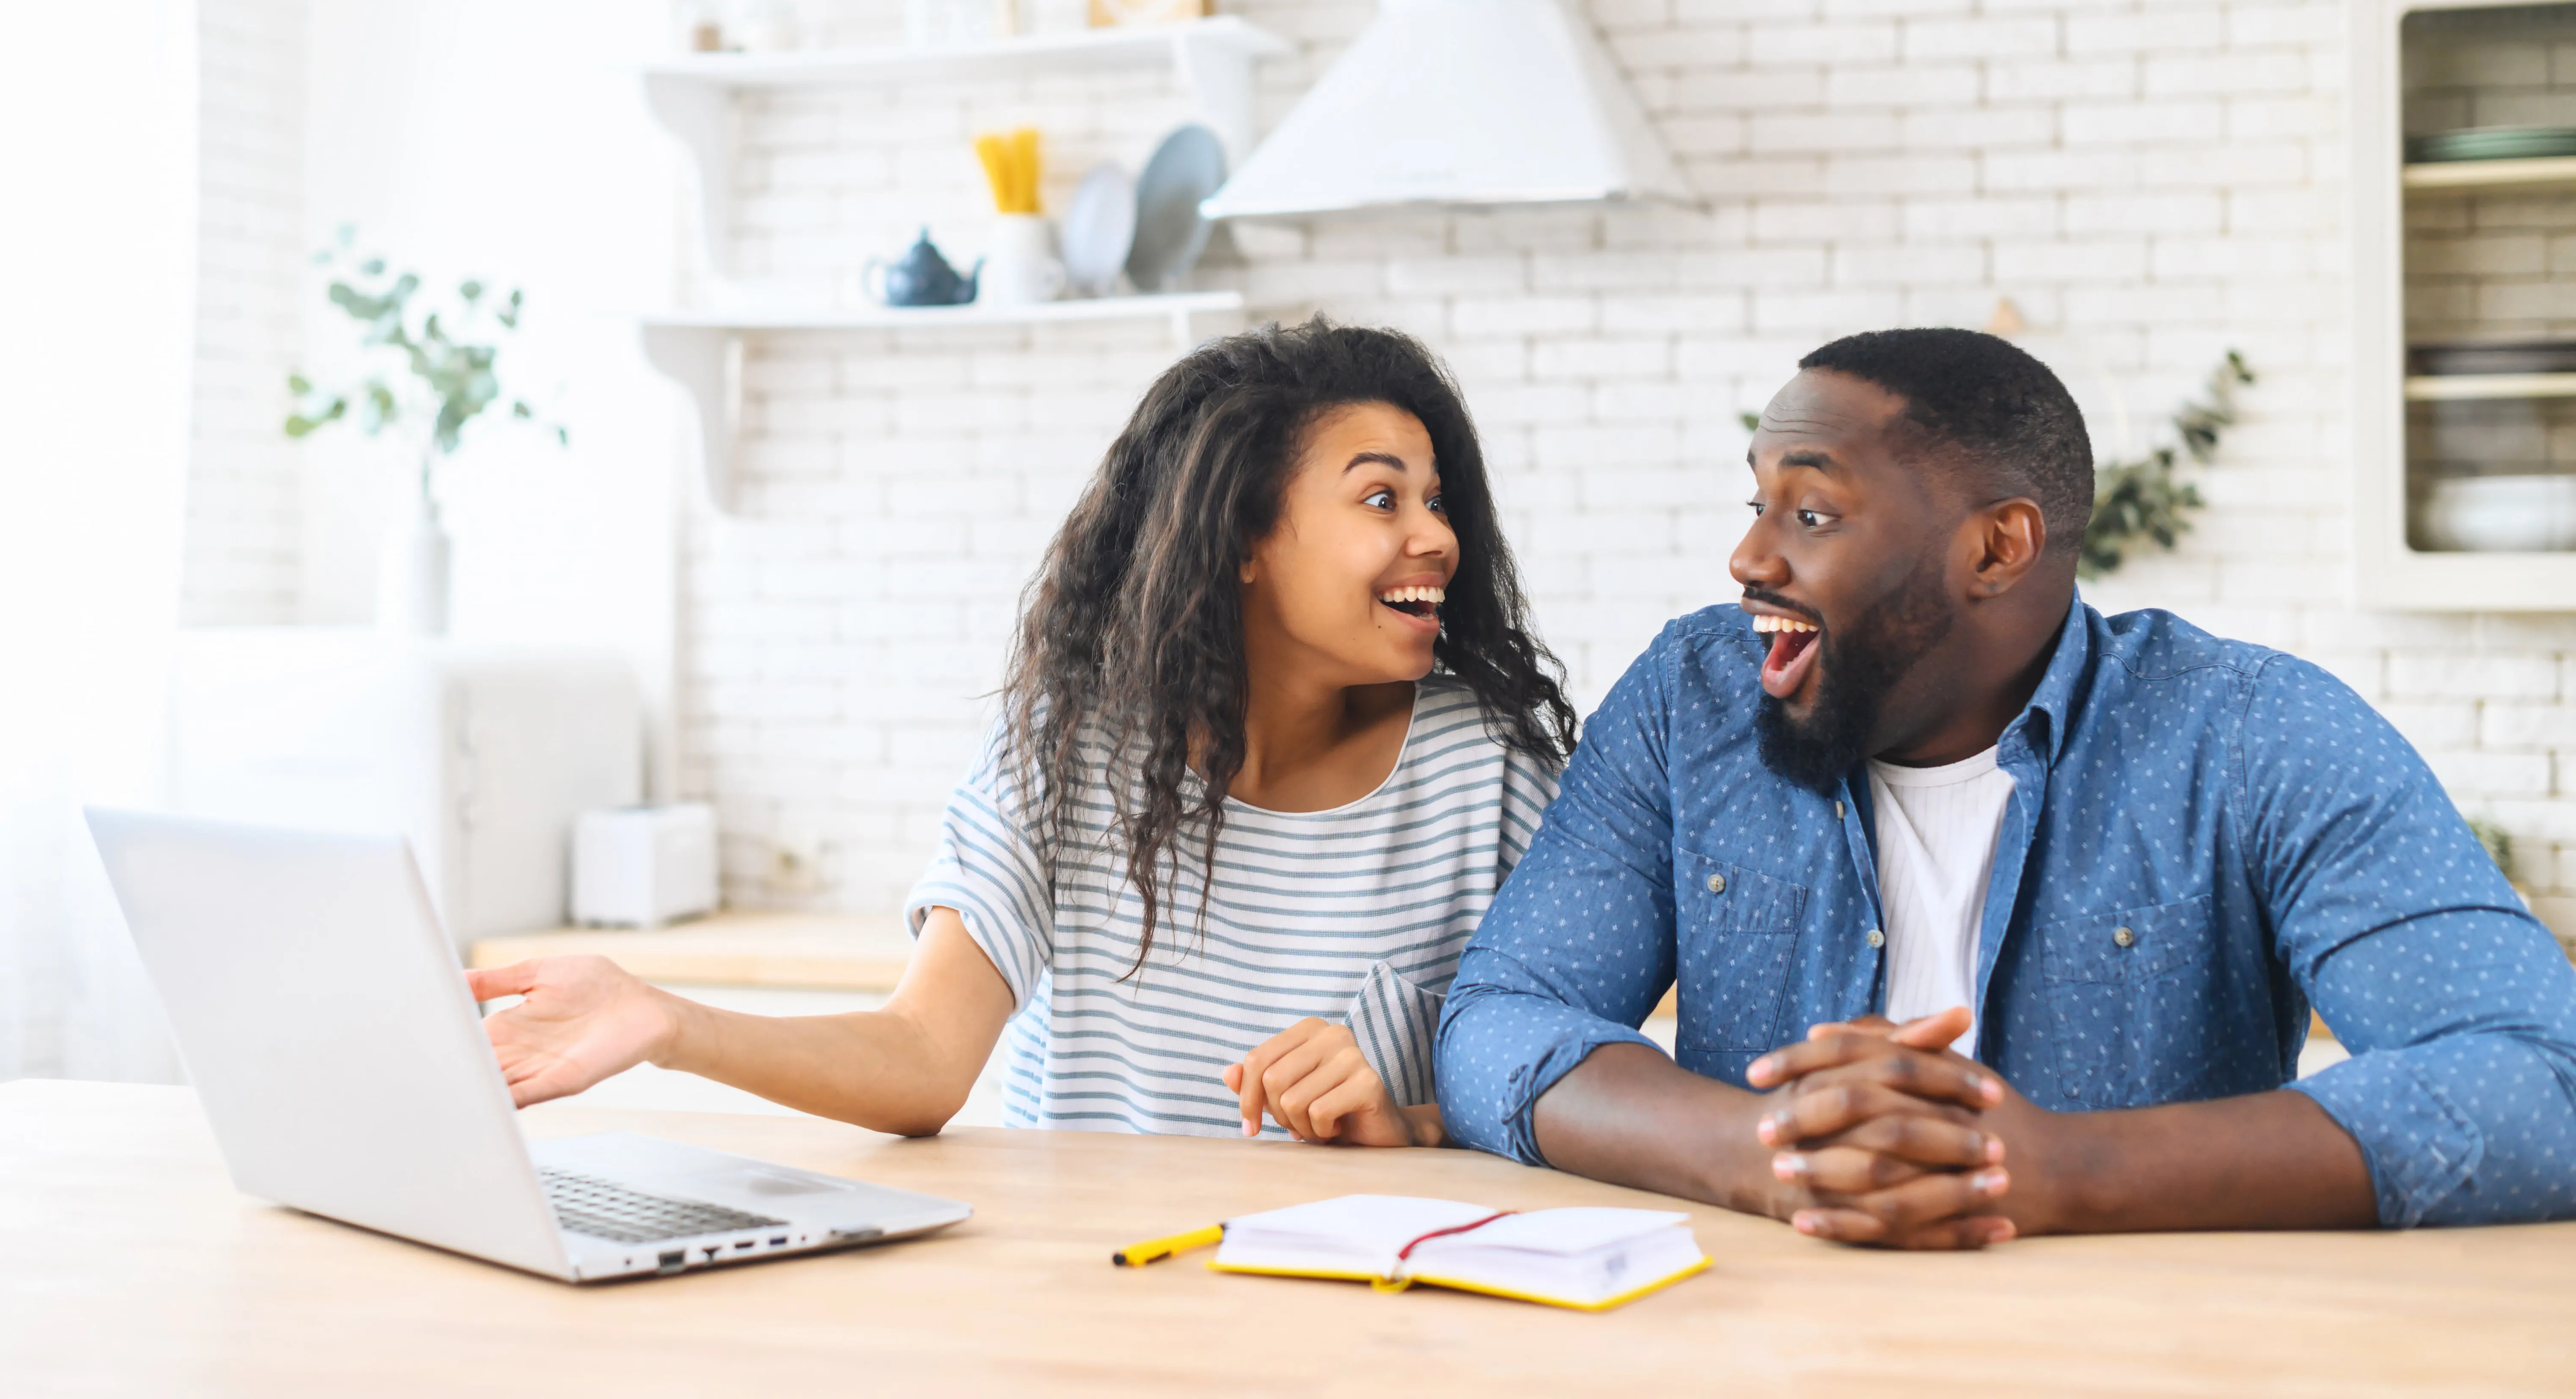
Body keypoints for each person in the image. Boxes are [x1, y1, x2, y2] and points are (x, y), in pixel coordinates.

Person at [1437, 327, 2576, 1245]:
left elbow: (2544, 1081)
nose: (1751, 558)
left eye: (1814, 513)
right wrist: (1765, 1151)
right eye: (1759, 505)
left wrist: (2066, 1173)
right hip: (1760, 1347)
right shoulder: (1694, 700)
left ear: (1997, 550)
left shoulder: (2256, 733)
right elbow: (1499, 1021)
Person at [472, 319, 1573, 1146]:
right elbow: (921, 1056)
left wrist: (1411, 1122)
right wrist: (666, 1023)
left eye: (1437, 501)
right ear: (1243, 535)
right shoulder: (1075, 747)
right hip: (1082, 1299)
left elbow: (1569, 1092)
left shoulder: (1489, 773)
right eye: (1383, 501)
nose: (1438, 536)